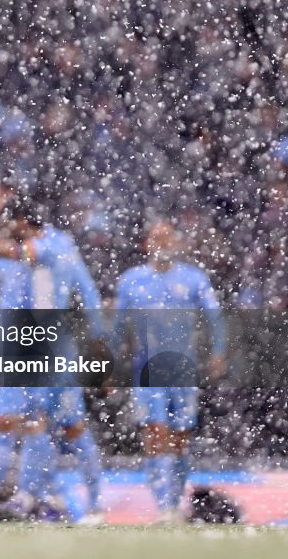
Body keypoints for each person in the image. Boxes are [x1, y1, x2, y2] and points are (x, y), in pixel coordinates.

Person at [0, 187, 105, 524]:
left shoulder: (53, 247)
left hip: (52, 348)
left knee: (66, 428)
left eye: (9, 220)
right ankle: (3, 498)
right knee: (14, 424)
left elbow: (87, 292)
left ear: (20, 221)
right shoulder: (15, 255)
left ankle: (84, 503)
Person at [113, 220, 226, 523]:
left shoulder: (193, 279)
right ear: (145, 244)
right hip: (147, 371)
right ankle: (163, 505)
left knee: (179, 439)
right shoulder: (131, 281)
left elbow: (214, 317)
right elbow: (119, 327)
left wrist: (218, 351)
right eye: (156, 238)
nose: (162, 243)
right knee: (156, 432)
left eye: (167, 238)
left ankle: (173, 503)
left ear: (177, 244)